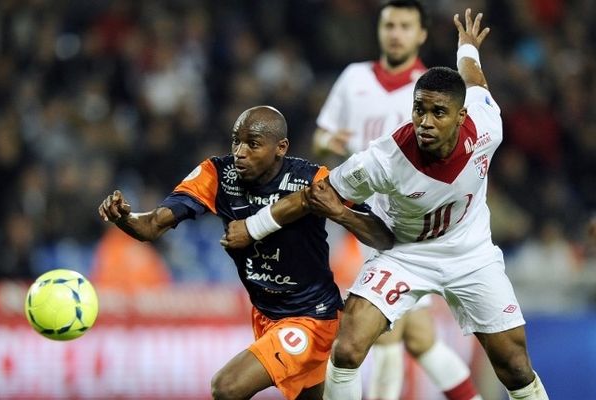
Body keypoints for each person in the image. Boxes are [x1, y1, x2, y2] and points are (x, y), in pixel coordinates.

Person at [224, 9, 549, 400]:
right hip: (404, 252)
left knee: (514, 366)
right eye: (419, 110)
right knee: (347, 347)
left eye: (438, 113)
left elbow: (473, 78)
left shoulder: (487, 124)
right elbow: (317, 195)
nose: (424, 122)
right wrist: (255, 226)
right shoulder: (384, 160)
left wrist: (468, 45)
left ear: (462, 116)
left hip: (471, 251)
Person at [97, 105, 394, 400]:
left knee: (227, 387)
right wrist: (124, 217)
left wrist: (340, 214)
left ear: (281, 148)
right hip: (265, 315)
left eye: (252, 144)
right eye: (236, 141)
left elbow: (381, 235)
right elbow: (152, 226)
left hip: (313, 318)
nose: (240, 152)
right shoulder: (217, 174)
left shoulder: (312, 179)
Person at [315, 1, 481, 399]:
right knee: (419, 337)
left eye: (406, 26)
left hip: (411, 225)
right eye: (390, 24)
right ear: (379, 29)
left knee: (385, 334)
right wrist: (333, 144)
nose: (395, 33)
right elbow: (321, 139)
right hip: (358, 220)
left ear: (421, 34)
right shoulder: (353, 78)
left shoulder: (433, 89)